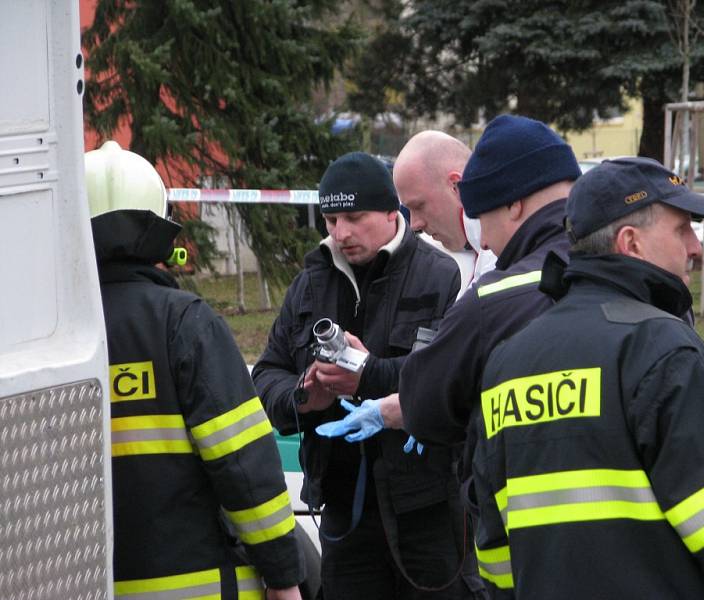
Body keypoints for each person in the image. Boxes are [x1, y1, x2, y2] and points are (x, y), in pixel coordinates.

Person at [471, 156, 704, 597]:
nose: (696, 247)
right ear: (631, 243)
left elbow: (494, 547)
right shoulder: (662, 350)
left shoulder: (507, 362)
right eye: (682, 228)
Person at [252, 152, 484, 599]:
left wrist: (368, 375)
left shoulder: (442, 277)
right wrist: (303, 397)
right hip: (342, 507)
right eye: (330, 219)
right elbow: (267, 372)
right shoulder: (310, 284)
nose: (341, 234)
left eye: (354, 218)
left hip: (429, 508)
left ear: (390, 211)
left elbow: (449, 379)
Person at [85, 141, 303, 600]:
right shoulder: (183, 323)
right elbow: (243, 465)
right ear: (157, 227)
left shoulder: (41, 332)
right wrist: (284, 577)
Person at [399, 115, 582, 452]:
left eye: (482, 216)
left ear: (514, 204)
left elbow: (422, 405)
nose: (482, 243)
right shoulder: (640, 274)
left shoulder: (491, 303)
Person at [393, 130, 496, 295]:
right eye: (408, 209)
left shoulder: (504, 251)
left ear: (456, 186)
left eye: (419, 206)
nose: (414, 225)